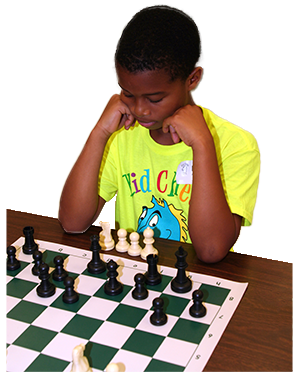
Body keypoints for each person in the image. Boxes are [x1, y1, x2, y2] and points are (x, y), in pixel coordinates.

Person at [57, 5, 261, 263]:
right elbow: (72, 222)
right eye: (127, 94)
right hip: (134, 281)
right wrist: (100, 133)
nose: (139, 109)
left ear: (193, 79)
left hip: (198, 289)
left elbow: (211, 250)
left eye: (154, 98)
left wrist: (202, 144)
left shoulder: (236, 145)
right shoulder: (121, 134)